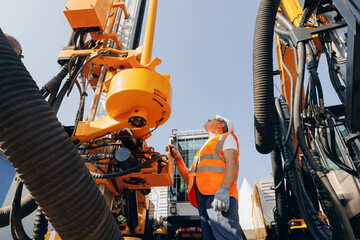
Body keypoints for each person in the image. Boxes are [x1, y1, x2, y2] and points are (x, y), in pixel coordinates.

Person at [169, 115, 245, 240]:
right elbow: (190, 179)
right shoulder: (202, 151)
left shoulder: (226, 137)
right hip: (204, 198)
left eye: (214, 119)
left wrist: (224, 190)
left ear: (221, 125)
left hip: (219, 196)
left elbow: (232, 163)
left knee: (226, 236)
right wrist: (178, 159)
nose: (209, 119)